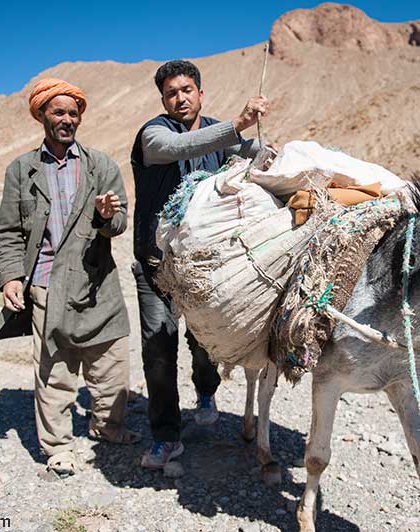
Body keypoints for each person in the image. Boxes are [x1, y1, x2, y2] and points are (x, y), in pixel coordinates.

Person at [0, 78, 140, 477]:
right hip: (46, 284)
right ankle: (58, 447)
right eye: (59, 112)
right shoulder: (21, 170)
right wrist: (11, 278)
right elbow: (8, 232)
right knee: (54, 370)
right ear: (42, 115)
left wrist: (108, 216)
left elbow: (121, 222)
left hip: (97, 284)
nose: (67, 119)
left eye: (73, 113)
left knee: (112, 366)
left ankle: (108, 427)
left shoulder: (100, 165)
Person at [131, 60, 270, 469]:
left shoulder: (218, 133)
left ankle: (206, 390)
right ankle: (165, 436)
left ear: (200, 93)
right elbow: (179, 148)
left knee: (205, 339)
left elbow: (259, 152)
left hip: (205, 265)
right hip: (157, 265)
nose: (180, 98)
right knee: (158, 348)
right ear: (163, 100)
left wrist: (268, 150)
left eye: (187, 90)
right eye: (171, 93)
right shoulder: (153, 135)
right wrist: (237, 125)